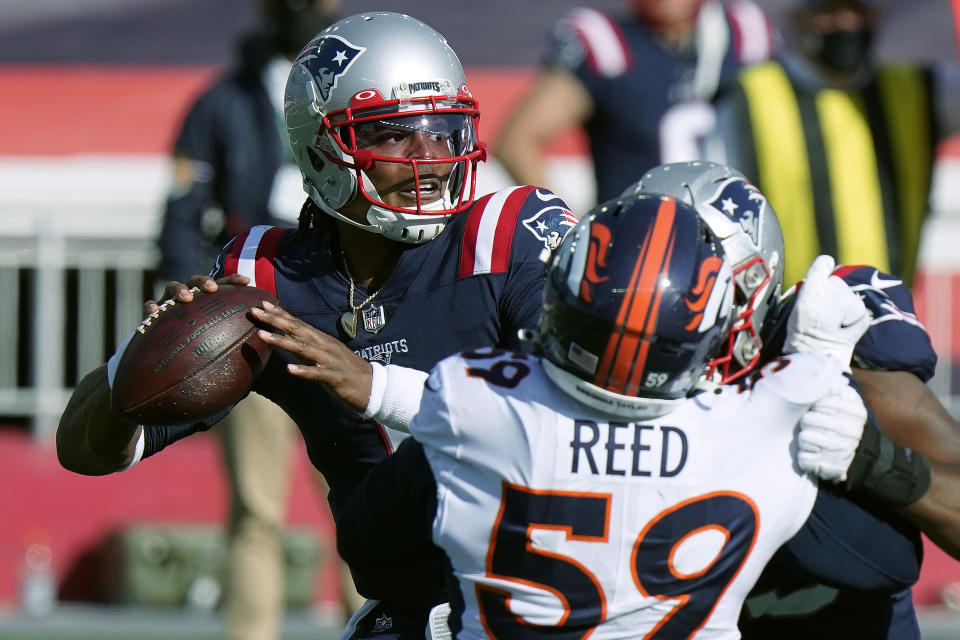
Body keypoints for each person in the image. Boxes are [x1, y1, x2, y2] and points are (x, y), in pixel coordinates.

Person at [56, 11, 579, 639]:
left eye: (443, 131)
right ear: (320, 151)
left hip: (541, 608)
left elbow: (563, 420)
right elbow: (84, 450)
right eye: (392, 134)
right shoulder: (269, 278)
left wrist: (376, 386)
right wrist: (143, 358)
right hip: (404, 617)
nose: (431, 159)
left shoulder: (511, 235)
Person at [331, 192, 934, 637]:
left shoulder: (479, 400)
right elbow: (888, 562)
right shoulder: (760, 422)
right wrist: (820, 370)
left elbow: (370, 545)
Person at [629, 160, 960, 639]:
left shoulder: (842, 354)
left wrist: (878, 463)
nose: (657, 310)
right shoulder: (598, 368)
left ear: (747, 284)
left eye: (688, 287)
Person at [155, 1, 354, 638]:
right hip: (251, 322)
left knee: (364, 496)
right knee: (254, 509)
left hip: (343, 314)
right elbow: (180, 222)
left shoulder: (356, 91)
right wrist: (201, 303)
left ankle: (384, 625)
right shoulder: (222, 101)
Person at [709, 0, 959, 287]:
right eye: (830, 11)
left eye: (857, 10)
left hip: (890, 318)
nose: (846, 23)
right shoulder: (747, 97)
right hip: (790, 322)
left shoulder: (917, 88)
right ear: (799, 18)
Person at [493, 0, 773, 206]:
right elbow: (518, 140)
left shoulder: (745, 34)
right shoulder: (608, 44)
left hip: (740, 243)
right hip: (638, 253)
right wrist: (565, 229)